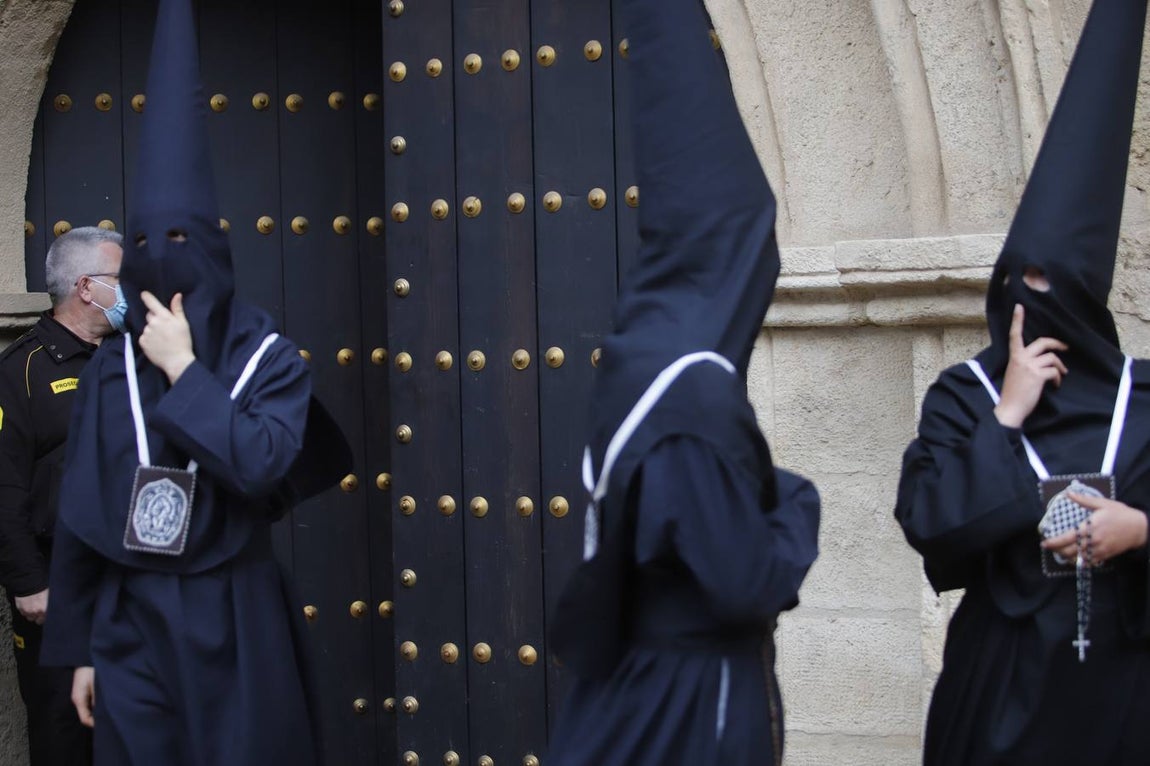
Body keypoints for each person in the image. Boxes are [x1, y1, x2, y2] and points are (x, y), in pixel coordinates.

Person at [38, 0, 348, 764]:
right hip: (129, 623)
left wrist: (183, 369)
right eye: (146, 243)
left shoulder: (266, 354)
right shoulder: (111, 364)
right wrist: (80, 649)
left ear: (215, 250)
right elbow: (82, 514)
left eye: (182, 241)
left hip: (235, 616)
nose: (163, 258)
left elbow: (261, 463)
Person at [546, 0, 820, 764]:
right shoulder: (692, 391)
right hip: (686, 710)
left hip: (641, 691)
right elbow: (743, 583)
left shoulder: (645, 354)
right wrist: (796, 501)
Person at [895, 0, 1150, 763]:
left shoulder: (1143, 398)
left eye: (1051, 281)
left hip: (1126, 692)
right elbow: (929, 523)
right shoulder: (964, 395)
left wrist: (1142, 530)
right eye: (1017, 278)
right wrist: (1006, 415)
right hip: (1001, 692)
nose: (1030, 297)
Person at [0, 226, 123, 765]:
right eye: (121, 278)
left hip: (128, 581)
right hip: (57, 586)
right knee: (64, 732)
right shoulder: (21, 370)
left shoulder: (132, 358)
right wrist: (28, 581)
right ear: (86, 287)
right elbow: (2, 485)